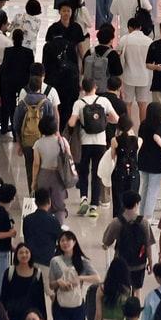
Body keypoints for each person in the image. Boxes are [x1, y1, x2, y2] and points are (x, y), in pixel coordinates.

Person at [46, 230, 100, 320]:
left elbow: (97, 278)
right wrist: (58, 282)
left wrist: (80, 278)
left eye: (68, 240)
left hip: (77, 306)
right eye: (62, 240)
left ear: (74, 242)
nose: (65, 243)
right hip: (60, 306)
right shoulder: (55, 261)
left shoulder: (82, 261)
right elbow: (51, 284)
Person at [68, 79, 118, 218]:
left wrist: (79, 120)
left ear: (82, 89)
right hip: (100, 143)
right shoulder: (104, 101)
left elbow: (71, 122)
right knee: (97, 174)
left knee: (83, 172)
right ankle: (94, 206)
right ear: (95, 87)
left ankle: (83, 198)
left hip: (84, 143)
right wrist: (104, 120)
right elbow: (116, 119)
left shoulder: (79, 103)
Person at [30, 116, 73, 222]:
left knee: (44, 202)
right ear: (55, 127)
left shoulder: (38, 143)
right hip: (59, 176)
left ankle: (45, 225)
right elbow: (69, 158)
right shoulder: (62, 141)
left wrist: (34, 181)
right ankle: (59, 227)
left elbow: (36, 164)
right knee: (59, 205)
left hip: (44, 176)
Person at [118, 16, 156, 123]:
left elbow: (119, 55)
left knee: (127, 104)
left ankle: (128, 129)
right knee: (142, 104)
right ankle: (143, 129)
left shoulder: (124, 39)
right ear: (140, 27)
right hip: (144, 77)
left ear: (129, 27)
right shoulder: (149, 41)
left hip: (128, 76)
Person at [22, 187, 63, 273]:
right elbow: (61, 241)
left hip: (29, 261)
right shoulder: (53, 221)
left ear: (36, 202)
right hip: (47, 261)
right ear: (49, 201)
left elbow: (26, 238)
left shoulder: (27, 219)